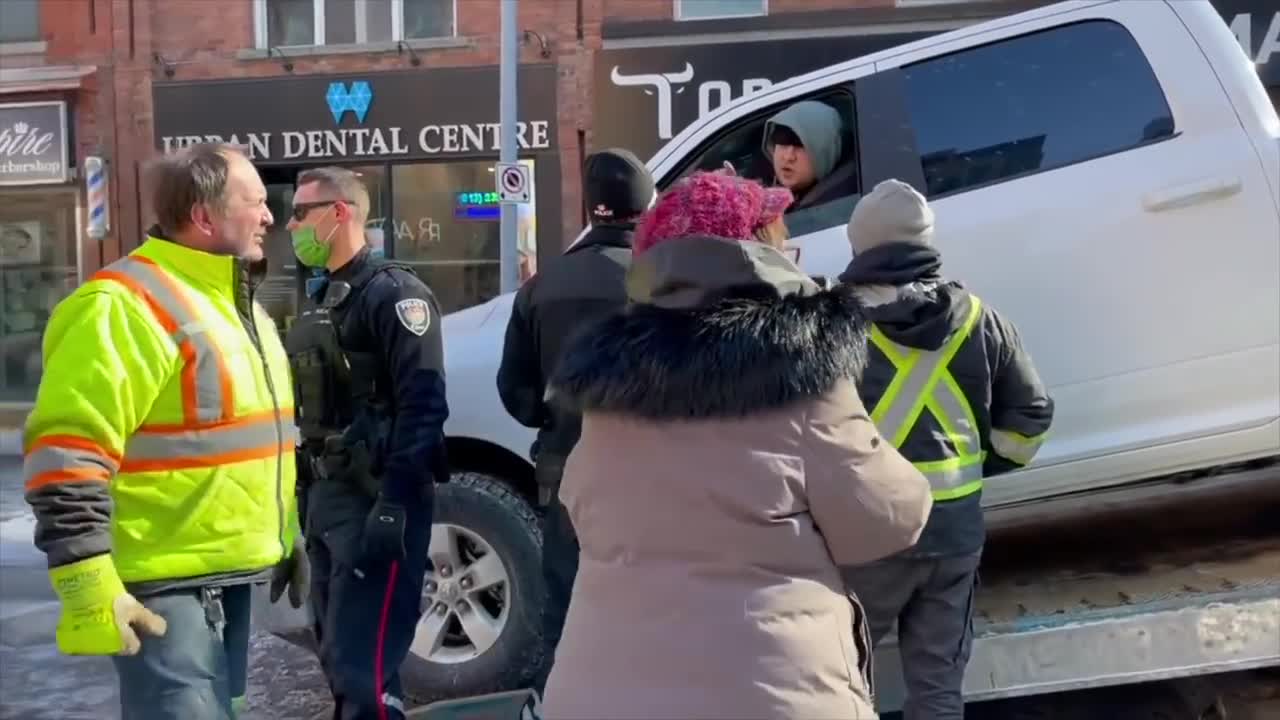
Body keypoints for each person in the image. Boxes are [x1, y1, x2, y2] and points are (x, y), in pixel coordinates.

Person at [538, 170, 934, 720]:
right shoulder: (802, 368)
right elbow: (888, 517)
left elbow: (581, 507)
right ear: (764, 252)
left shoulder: (608, 386)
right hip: (770, 695)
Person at [23, 141, 307, 720]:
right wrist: (86, 579)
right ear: (204, 217)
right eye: (255, 201)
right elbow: (66, 453)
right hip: (161, 588)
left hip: (218, 575)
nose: (270, 216)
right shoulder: (121, 306)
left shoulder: (236, 304)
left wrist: (286, 532)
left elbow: (257, 439)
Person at [838, 179, 1055, 719]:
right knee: (937, 691)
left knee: (841, 681)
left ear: (858, 243)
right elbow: (1030, 418)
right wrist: (981, 466)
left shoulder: (835, 325)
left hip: (869, 538)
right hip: (954, 534)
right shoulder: (982, 320)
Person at [283, 166, 449, 720]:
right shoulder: (320, 297)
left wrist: (396, 504)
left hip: (375, 496)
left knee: (364, 671)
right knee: (339, 660)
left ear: (340, 213)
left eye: (302, 212)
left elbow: (424, 405)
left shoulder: (395, 294)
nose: (291, 224)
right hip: (327, 499)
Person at [495, 148, 655, 695]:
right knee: (648, 615)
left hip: (566, 474)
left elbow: (513, 394)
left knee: (568, 615)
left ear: (592, 207)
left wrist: (557, 415)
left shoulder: (542, 286)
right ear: (645, 204)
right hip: (652, 477)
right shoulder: (662, 282)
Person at [762, 99, 849, 212]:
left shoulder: (827, 211)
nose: (788, 157)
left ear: (825, 150)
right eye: (781, 140)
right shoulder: (763, 185)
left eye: (801, 145)